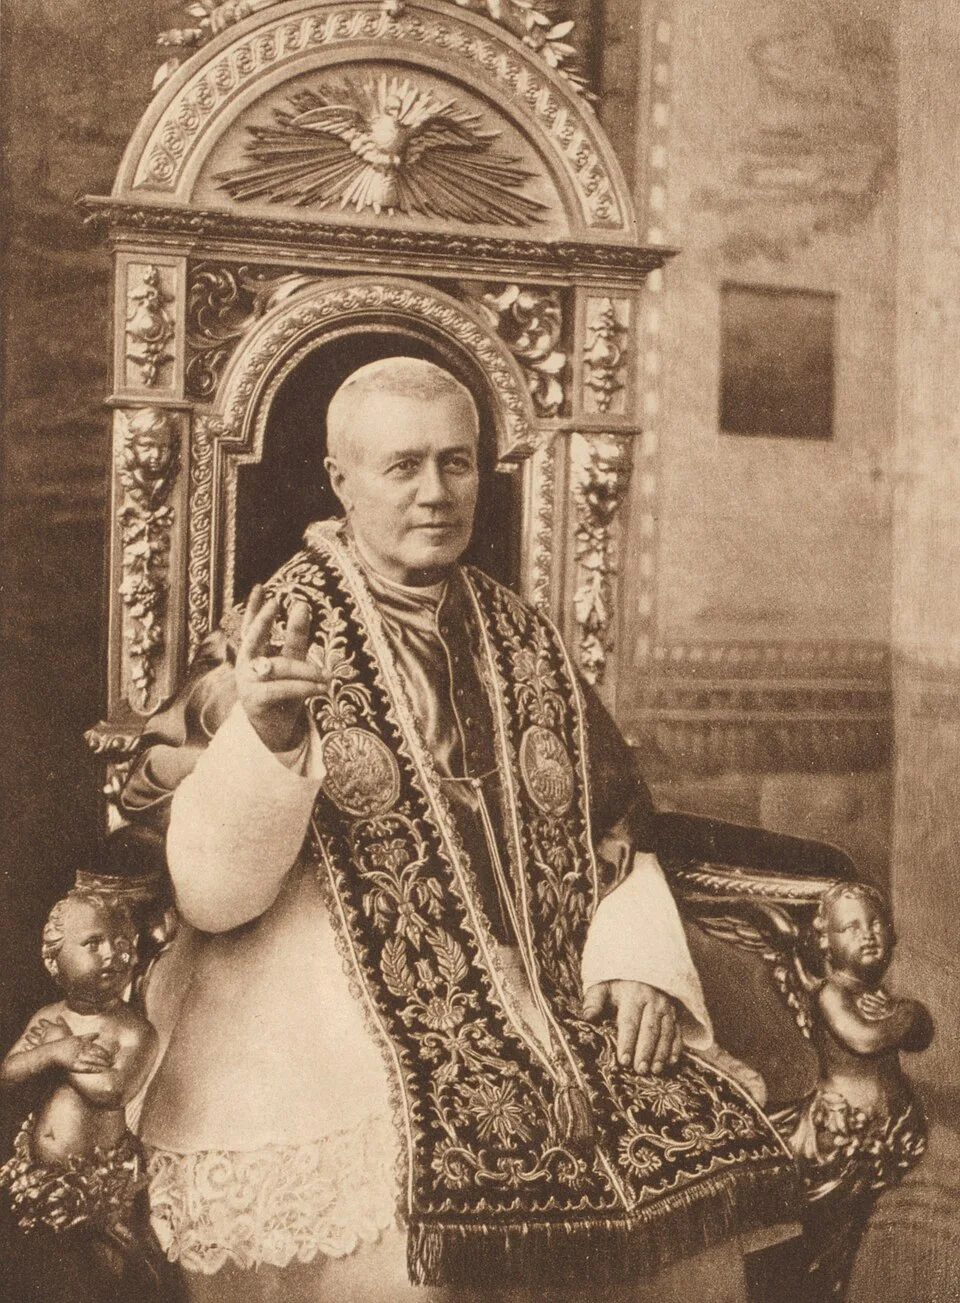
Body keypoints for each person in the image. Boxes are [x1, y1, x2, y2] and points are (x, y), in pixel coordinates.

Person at [120, 357, 796, 1302]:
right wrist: (270, 738)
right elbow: (210, 895)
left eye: (459, 463)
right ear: (339, 480)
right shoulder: (261, 642)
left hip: (548, 996)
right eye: (403, 466)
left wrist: (638, 957)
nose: (437, 493)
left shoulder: (528, 641)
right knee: (403, 1253)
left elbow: (617, 828)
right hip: (323, 1008)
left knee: (678, 1217)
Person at [0, 888, 173, 1302]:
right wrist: (57, 1050)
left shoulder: (133, 1030)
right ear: (54, 959)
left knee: (107, 1273)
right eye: (93, 943)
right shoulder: (48, 1018)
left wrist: (61, 1051)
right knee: (50, 1274)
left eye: (121, 942)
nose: (112, 954)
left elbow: (113, 1090)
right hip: (40, 1181)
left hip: (99, 1188)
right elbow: (8, 1074)